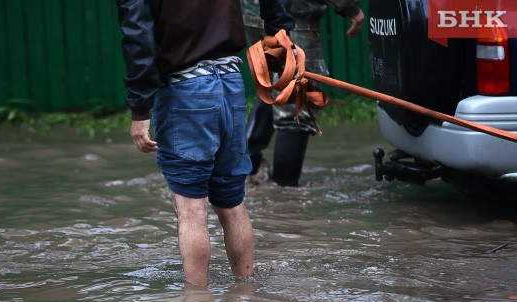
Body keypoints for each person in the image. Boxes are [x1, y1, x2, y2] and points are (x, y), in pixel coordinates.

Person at [115, 0, 295, 286]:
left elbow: (138, 33)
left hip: (184, 90)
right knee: (232, 201)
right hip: (231, 82)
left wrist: (139, 109)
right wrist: (280, 31)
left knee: (190, 208)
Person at [241, 0, 365, 186]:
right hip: (293, 17)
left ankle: (245, 171)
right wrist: (351, 8)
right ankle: (286, 195)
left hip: (253, 13)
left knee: (274, 88)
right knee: (296, 106)